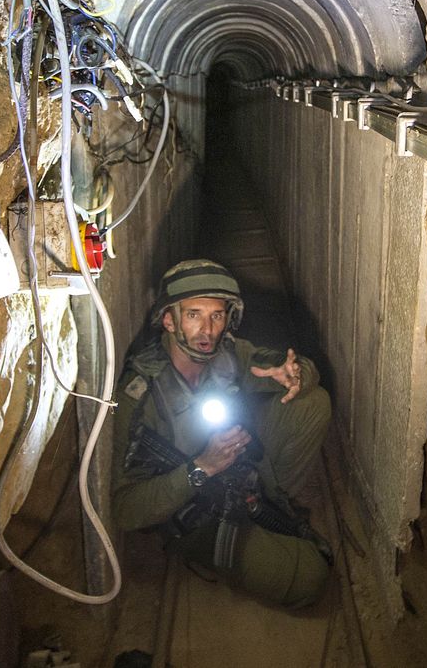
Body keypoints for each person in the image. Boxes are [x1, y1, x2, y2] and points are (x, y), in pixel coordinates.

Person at [111, 259, 333, 609]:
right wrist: (201, 467)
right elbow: (125, 510)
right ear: (169, 320)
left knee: (313, 403)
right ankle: (220, 548)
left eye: (217, 315)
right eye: (194, 315)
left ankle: (272, 501)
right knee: (310, 576)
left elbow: (292, 368)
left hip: (238, 473)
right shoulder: (140, 396)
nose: (208, 330)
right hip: (195, 511)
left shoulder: (226, 354)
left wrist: (296, 375)